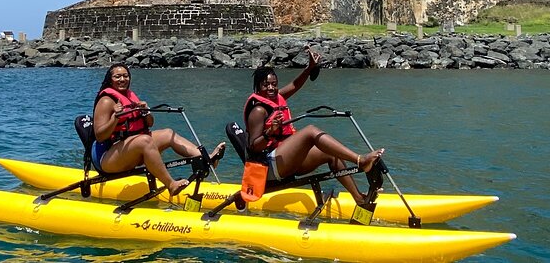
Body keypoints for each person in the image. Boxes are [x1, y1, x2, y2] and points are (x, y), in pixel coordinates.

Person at [244, 47, 385, 204]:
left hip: (287, 160)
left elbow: (295, 85)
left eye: (274, 84)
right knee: (310, 131)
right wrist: (269, 132)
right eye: (266, 85)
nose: (271, 88)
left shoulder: (275, 98)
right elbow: (253, 147)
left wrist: (310, 68)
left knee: (332, 152)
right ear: (258, 87)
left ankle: (359, 198)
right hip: (268, 167)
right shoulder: (257, 110)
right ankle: (360, 160)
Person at [92, 63, 225, 196]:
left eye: (125, 76)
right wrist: (115, 117)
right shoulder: (106, 101)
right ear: (110, 79)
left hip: (132, 149)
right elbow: (100, 136)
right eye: (117, 76)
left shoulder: (129, 96)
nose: (122, 79)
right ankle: (171, 185)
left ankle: (207, 160)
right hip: (109, 158)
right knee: (145, 140)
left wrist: (145, 112)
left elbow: (149, 124)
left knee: (168, 133)